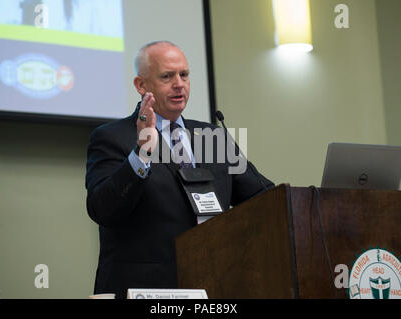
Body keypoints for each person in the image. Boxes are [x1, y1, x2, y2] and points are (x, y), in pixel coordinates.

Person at [85, 41, 274, 299]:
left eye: (184, 75)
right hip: (144, 289)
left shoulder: (213, 137)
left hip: (212, 285)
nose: (179, 84)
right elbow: (102, 208)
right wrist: (142, 154)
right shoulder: (112, 137)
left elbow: (264, 198)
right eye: (167, 76)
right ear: (141, 85)